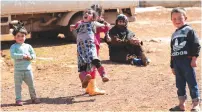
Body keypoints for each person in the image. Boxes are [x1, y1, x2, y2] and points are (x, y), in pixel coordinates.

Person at [70, 8, 108, 96]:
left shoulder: (93, 23)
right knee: (83, 65)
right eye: (85, 13)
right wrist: (72, 27)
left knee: (94, 62)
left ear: (93, 17)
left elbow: (104, 27)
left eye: (89, 13)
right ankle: (85, 81)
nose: (86, 14)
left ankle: (103, 75)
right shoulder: (80, 23)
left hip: (90, 46)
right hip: (80, 48)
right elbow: (75, 26)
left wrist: (105, 24)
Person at [169, 8, 201, 112]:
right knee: (180, 84)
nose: (177, 20)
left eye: (179, 18)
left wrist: (194, 58)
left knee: (192, 83)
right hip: (177, 63)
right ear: (171, 20)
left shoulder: (189, 30)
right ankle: (181, 104)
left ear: (185, 18)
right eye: (174, 19)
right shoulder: (174, 34)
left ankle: (196, 104)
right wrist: (172, 65)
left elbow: (196, 45)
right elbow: (172, 51)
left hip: (187, 62)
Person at [9, 22, 40, 106]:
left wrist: (30, 57)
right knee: (18, 86)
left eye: (22, 36)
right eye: (18, 36)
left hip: (28, 70)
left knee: (31, 84)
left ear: (25, 36)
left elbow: (34, 55)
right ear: (15, 37)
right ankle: (18, 99)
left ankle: (33, 97)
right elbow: (13, 55)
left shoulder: (28, 46)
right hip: (18, 71)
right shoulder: (13, 47)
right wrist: (22, 56)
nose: (20, 38)